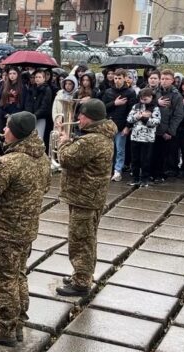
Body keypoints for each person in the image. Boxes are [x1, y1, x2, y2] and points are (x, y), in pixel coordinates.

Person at [0, 112, 51, 346]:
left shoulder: (9, 162)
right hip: (26, 229)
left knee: (4, 281)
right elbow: (46, 186)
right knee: (18, 276)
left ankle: (6, 327)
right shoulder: (41, 157)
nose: (4, 131)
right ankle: (18, 322)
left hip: (4, 231)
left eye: (8, 127)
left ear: (17, 132)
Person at [55, 100, 115, 296]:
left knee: (81, 240)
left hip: (85, 197)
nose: (78, 118)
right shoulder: (97, 137)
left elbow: (66, 159)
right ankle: (82, 274)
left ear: (90, 118)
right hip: (87, 196)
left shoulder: (92, 140)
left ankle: (81, 282)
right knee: (86, 238)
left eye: (81, 115)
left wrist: (63, 142)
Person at [103, 69, 137, 182]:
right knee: (109, 148)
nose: (117, 80)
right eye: (116, 78)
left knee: (120, 149)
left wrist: (128, 126)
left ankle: (118, 170)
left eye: (120, 78)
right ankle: (109, 169)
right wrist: (114, 103)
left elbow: (132, 110)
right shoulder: (108, 92)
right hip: (109, 124)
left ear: (124, 78)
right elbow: (103, 107)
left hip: (122, 125)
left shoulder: (130, 92)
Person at [151, 69, 184, 183]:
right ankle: (152, 173)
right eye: (163, 79)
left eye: (167, 79)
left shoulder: (176, 95)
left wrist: (170, 131)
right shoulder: (155, 92)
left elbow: (178, 115)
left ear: (172, 80)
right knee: (153, 153)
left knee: (163, 154)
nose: (164, 81)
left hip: (165, 130)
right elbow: (147, 103)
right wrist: (157, 103)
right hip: (153, 128)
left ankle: (161, 174)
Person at [125, 88, 161, 187]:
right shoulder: (136, 106)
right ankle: (135, 178)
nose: (143, 101)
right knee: (135, 159)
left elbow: (156, 122)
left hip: (147, 139)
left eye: (145, 99)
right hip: (135, 137)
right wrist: (138, 116)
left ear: (151, 97)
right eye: (142, 99)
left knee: (145, 159)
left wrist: (145, 118)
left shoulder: (155, 108)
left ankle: (145, 179)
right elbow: (129, 119)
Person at [24, 70, 53, 152]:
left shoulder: (47, 89)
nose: (37, 79)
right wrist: (29, 114)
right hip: (31, 117)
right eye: (36, 77)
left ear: (44, 78)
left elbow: (45, 106)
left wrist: (35, 115)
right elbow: (28, 103)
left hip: (41, 117)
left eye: (40, 77)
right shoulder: (31, 88)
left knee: (39, 137)